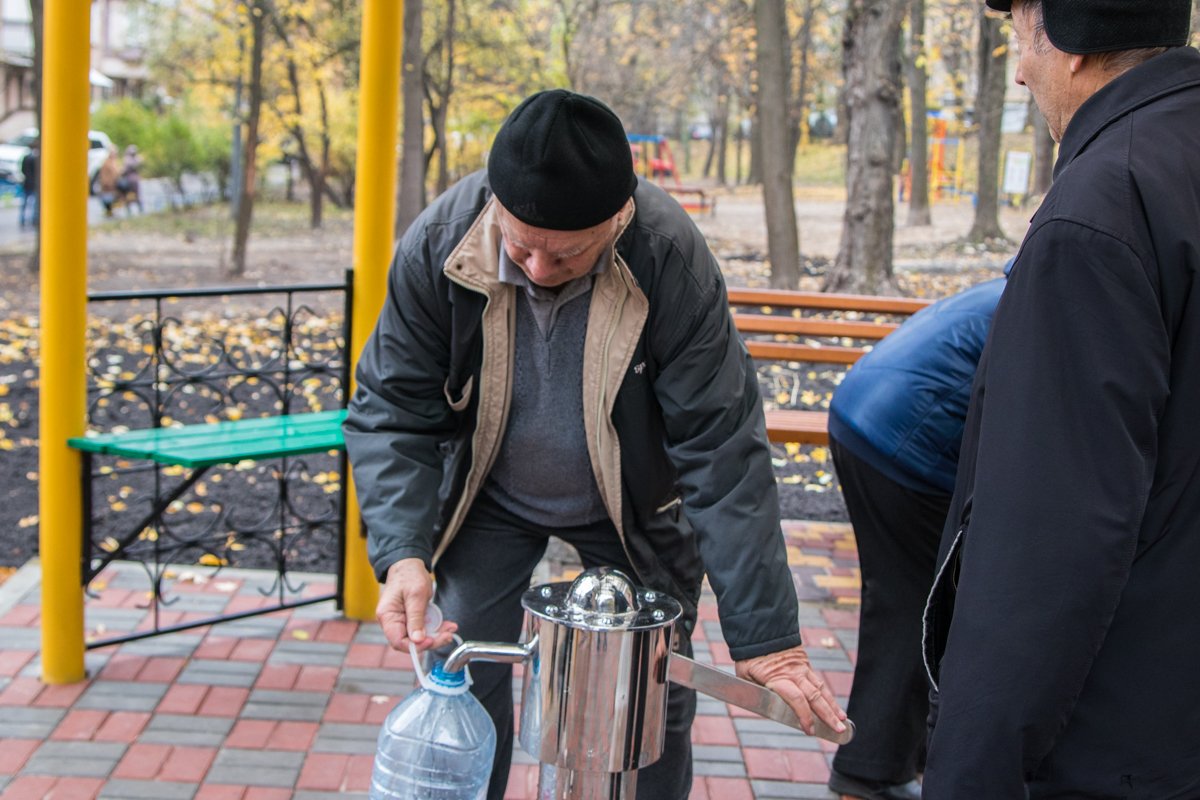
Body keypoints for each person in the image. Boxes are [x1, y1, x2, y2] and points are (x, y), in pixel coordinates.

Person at [343, 89, 847, 800]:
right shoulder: (442, 240)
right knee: (458, 656)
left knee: (652, 692)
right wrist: (400, 552)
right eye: (520, 247)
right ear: (494, 204)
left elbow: (721, 449)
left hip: (632, 504)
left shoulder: (669, 254)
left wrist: (768, 640)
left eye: (567, 254)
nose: (538, 271)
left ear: (617, 217)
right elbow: (393, 406)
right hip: (490, 496)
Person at [921, 1, 1200, 796]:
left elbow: (1046, 542)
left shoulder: (1100, 209)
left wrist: (968, 774)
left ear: (1069, 41)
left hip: (1119, 737)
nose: (1016, 66)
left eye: (1018, 34)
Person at [825, 272, 1007, 800]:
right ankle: (872, 771)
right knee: (922, 606)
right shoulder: (1046, 301)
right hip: (904, 441)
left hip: (869, 416)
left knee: (909, 601)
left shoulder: (1023, 285)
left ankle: (890, 761)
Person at [95, 146, 122, 217]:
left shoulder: (114, 162)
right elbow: (105, 174)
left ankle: (110, 211)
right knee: (108, 199)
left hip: (113, 185)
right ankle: (108, 212)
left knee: (114, 199)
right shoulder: (107, 162)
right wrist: (106, 183)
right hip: (108, 185)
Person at [19, 140, 38, 229]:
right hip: (33, 184)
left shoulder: (26, 157)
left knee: (25, 203)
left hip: (27, 184)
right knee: (33, 203)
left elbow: (23, 170)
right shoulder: (35, 158)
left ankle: (23, 220)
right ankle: (32, 220)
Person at [119, 144, 143, 214]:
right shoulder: (138, 159)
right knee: (136, 195)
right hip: (135, 180)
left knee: (129, 195)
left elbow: (124, 170)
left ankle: (130, 210)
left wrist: (121, 172)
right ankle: (139, 209)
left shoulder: (128, 160)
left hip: (129, 180)